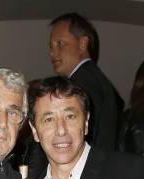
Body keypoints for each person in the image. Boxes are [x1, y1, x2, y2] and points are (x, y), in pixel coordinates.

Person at [49, 12, 123, 150]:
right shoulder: (95, 78)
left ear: (82, 44)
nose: (52, 53)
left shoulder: (81, 84)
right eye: (51, 46)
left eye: (60, 43)